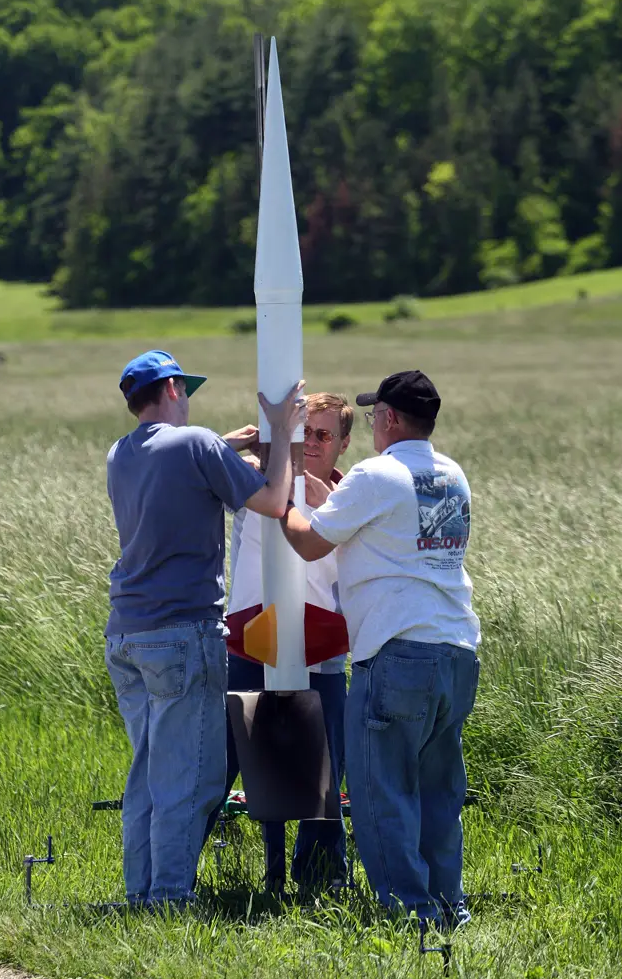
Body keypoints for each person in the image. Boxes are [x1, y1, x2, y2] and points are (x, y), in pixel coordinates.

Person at [104, 349, 305, 909]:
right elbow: (272, 499)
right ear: (170, 389)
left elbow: (178, 458)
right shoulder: (196, 445)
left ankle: (140, 891)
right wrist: (282, 438)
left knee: (148, 768)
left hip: (127, 633)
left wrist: (226, 446)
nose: (188, 399)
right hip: (182, 630)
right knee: (190, 775)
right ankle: (169, 898)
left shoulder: (121, 453)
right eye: (184, 389)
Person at [279, 370, 481, 927]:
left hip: (395, 650)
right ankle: (448, 906)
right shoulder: (451, 474)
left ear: (389, 418)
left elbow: (309, 540)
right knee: (439, 792)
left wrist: (283, 501)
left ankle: (409, 915)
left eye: (374, 416)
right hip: (457, 647)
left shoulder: (374, 473)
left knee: (380, 791)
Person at [206, 393, 353, 891]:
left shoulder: (352, 496)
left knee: (327, 773)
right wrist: (259, 437)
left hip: (322, 651)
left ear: (344, 444)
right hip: (248, 645)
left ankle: (322, 880)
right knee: (218, 767)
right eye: (301, 432)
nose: (310, 443)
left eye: (322, 435)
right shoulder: (254, 483)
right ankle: (173, 878)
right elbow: (201, 464)